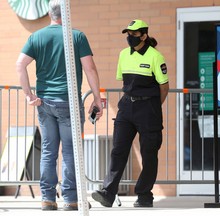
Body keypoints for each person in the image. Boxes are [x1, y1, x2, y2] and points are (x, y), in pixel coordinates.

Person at [16, 0, 103, 211]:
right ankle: (71, 199)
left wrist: (29, 95)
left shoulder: (36, 37)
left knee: (49, 150)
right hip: (68, 102)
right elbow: (90, 69)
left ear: (49, 14)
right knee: (71, 151)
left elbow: (20, 64)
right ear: (66, 13)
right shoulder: (77, 36)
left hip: (44, 102)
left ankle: (47, 198)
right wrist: (97, 99)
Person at [92, 19, 169, 208]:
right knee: (118, 150)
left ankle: (144, 195)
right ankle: (108, 193)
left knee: (149, 153)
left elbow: (164, 87)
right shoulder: (123, 55)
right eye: (128, 34)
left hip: (148, 108)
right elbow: (126, 83)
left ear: (144, 35)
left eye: (134, 34)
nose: (130, 37)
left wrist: (152, 107)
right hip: (126, 106)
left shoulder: (155, 56)